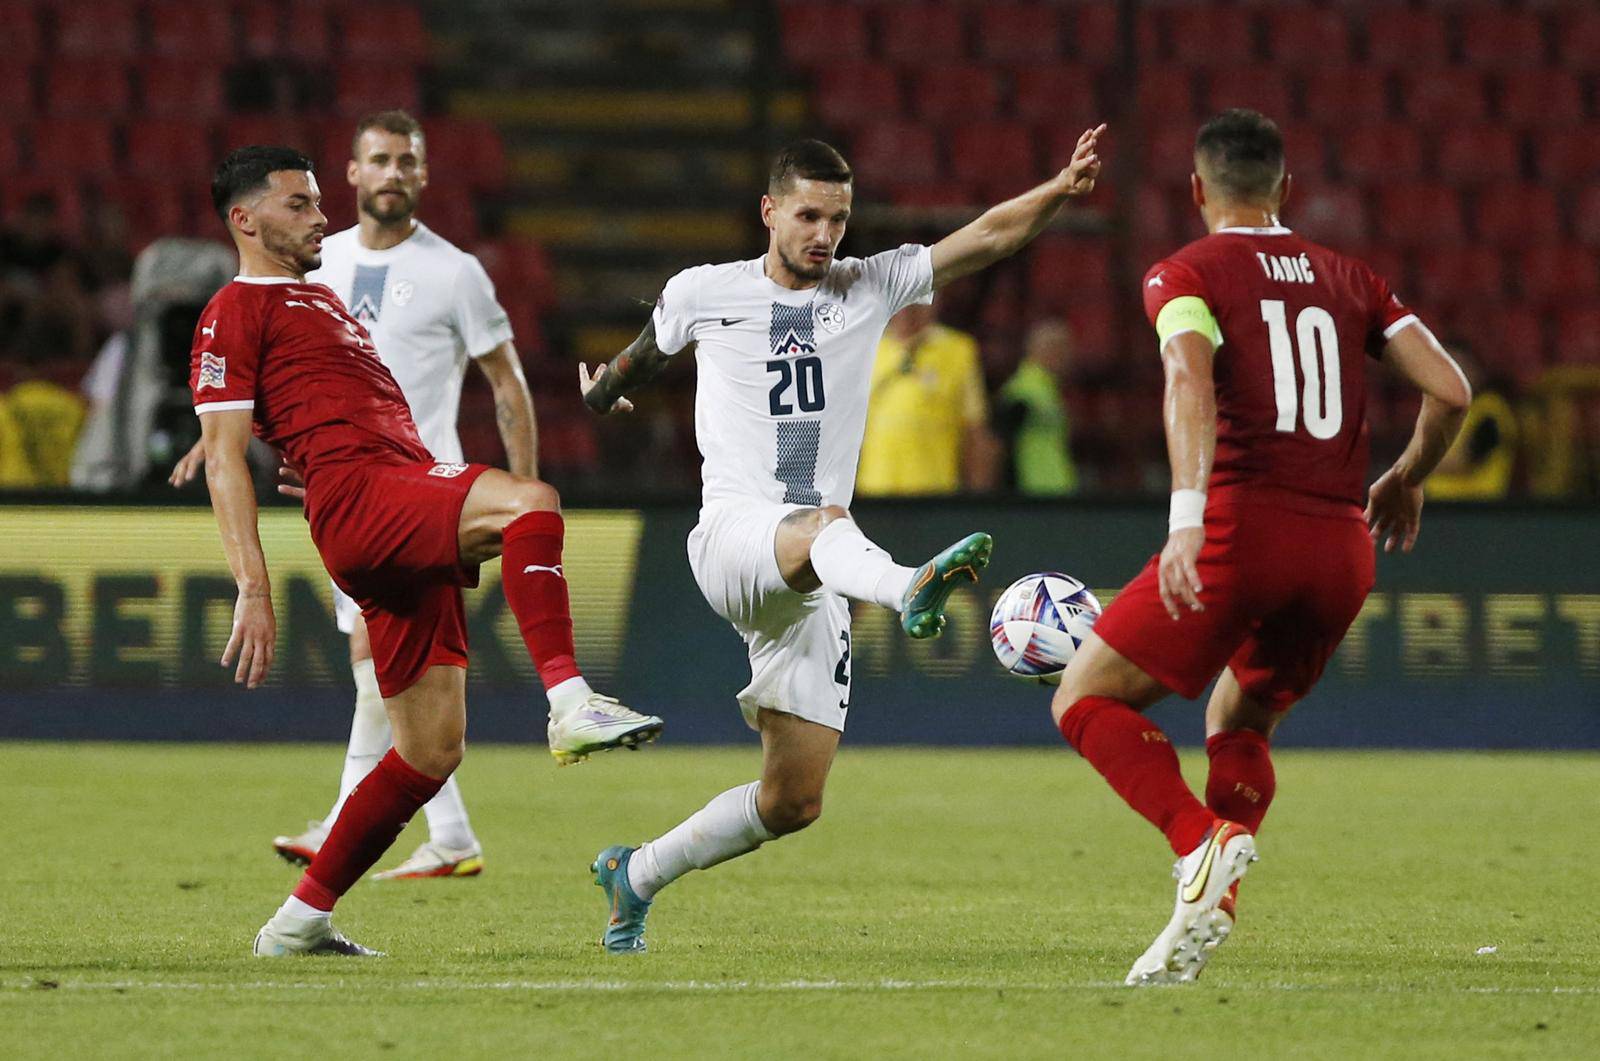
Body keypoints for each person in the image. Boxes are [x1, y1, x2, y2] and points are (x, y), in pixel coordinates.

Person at [577, 129, 1105, 953]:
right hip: (734, 538)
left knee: (792, 800)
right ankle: (908, 588)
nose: (825, 235)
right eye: (809, 215)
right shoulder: (704, 290)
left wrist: (1060, 188)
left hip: (814, 573)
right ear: (770, 212)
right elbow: (646, 354)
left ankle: (634, 875)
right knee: (825, 520)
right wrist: (604, 389)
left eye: (839, 219)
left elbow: (989, 236)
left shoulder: (871, 284)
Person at [192, 145, 662, 957]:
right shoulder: (234, 309)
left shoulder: (322, 302)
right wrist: (254, 585)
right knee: (530, 501)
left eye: (315, 201)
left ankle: (298, 921)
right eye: (298, 204)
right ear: (246, 219)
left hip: (381, 492)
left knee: (430, 748)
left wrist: (326, 463)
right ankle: (570, 699)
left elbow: (320, 415)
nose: (320, 215)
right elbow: (225, 455)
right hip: (368, 499)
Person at [1047, 110, 1470, 985]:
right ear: (1287, 189)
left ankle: (1199, 842)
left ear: (1197, 190)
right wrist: (1406, 476)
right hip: (1341, 547)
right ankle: (1209, 906)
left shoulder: (1185, 273)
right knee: (1238, 720)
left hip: (1244, 530)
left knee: (1083, 699)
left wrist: (1187, 518)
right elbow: (1453, 390)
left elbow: (1186, 378)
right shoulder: (1353, 278)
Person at [173, 111, 535, 881]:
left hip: (427, 486)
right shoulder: (312, 271)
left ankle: (359, 824)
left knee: (388, 670)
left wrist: (517, 477)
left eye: (409, 159)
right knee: (395, 684)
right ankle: (411, 834)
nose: (394, 172)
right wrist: (219, 434)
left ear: (425, 173)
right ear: (357, 169)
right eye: (380, 158)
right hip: (362, 498)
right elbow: (262, 388)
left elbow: (506, 383)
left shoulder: (451, 271)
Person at [855, 301, 997, 495]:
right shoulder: (866, 347)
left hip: (934, 492)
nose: (906, 310)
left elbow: (974, 429)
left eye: (915, 299)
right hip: (874, 493)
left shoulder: (958, 350)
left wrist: (979, 499)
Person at [993, 318, 1079, 496]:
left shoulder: (1047, 389)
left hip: (1054, 487)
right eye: (1060, 348)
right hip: (1032, 492)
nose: (1067, 357)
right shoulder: (1022, 390)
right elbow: (999, 443)